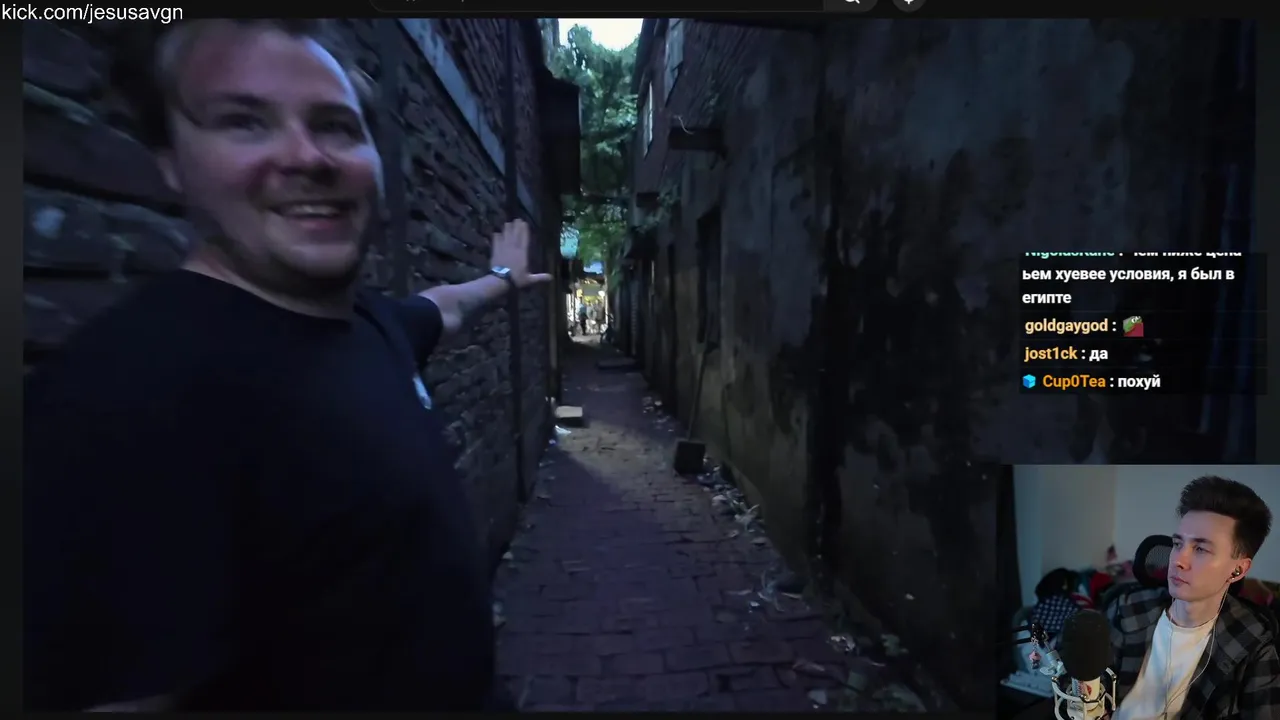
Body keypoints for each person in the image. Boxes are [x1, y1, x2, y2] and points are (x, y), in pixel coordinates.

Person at [23, 19, 549, 711]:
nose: (307, 156)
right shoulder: (121, 400)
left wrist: (503, 279)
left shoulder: (369, 326)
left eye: (336, 126)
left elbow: (441, 308)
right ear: (170, 158)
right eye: (245, 122)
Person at [1109, 476, 1280, 719]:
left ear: (1238, 570)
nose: (1178, 560)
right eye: (1178, 544)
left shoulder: (1253, 645)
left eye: (1200, 549)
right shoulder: (1129, 608)